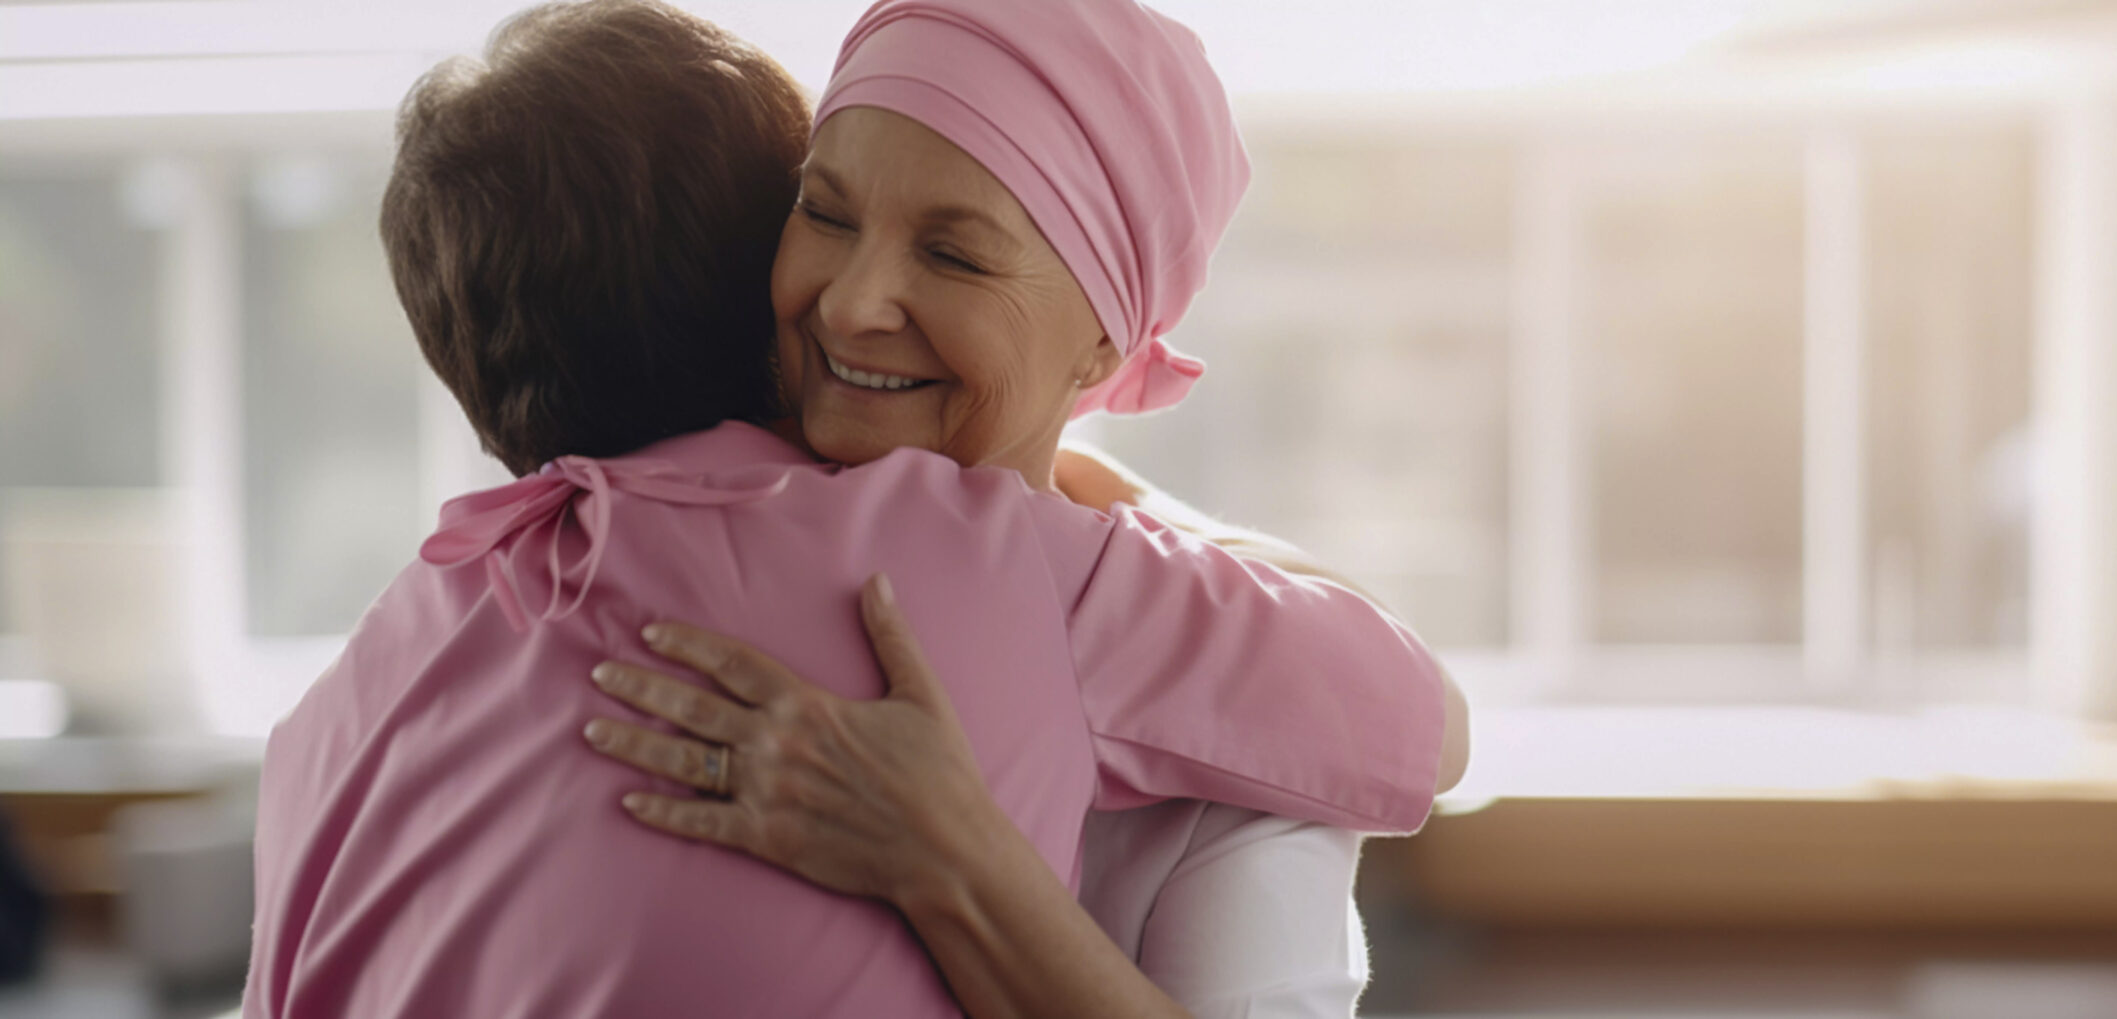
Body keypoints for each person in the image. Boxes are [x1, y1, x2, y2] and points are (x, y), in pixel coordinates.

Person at [243, 2, 1463, 1017]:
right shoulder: (989, 561)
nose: (852, 303)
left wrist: (947, 847)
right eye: (824, 212)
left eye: (957, 253)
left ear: (1108, 338)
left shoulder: (388, 652)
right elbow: (1425, 720)